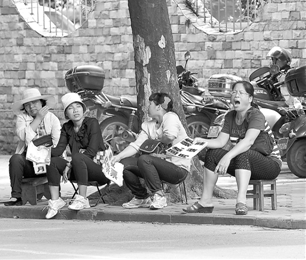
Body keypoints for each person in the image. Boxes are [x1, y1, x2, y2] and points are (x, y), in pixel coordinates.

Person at [184, 81, 282, 215]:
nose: (236, 95)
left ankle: (241, 202)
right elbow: (220, 142)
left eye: (241, 93)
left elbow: (248, 141)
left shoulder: (256, 115)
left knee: (243, 152)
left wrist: (227, 157)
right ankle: (205, 202)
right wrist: (202, 141)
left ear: (250, 99)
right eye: (234, 92)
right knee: (212, 154)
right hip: (245, 163)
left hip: (270, 165)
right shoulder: (230, 116)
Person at [111, 93, 190, 210]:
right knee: (123, 164)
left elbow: (170, 136)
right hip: (155, 167)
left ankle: (159, 196)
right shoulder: (148, 125)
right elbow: (136, 145)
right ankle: (141, 197)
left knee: (144, 159)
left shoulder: (170, 117)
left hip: (177, 169)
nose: (147, 107)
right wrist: (118, 157)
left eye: (150, 104)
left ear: (158, 107)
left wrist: (155, 138)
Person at [45, 92, 108, 219]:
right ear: (66, 114)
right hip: (78, 168)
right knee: (53, 161)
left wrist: (70, 164)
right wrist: (40, 151)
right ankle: (55, 201)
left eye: (78, 106)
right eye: (70, 108)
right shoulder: (67, 127)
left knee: (77, 157)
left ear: (83, 109)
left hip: (99, 168)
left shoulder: (92, 123)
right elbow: (58, 151)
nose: (75, 111)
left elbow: (91, 151)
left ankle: (82, 199)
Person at [5, 88, 61, 206]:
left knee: (56, 159)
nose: (31, 107)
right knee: (16, 159)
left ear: (42, 103)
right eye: (27, 105)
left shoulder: (52, 118)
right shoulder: (22, 118)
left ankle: (56, 196)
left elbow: (57, 143)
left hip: (48, 163)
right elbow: (24, 137)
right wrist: (38, 118)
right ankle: (16, 196)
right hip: (30, 164)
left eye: (34, 103)